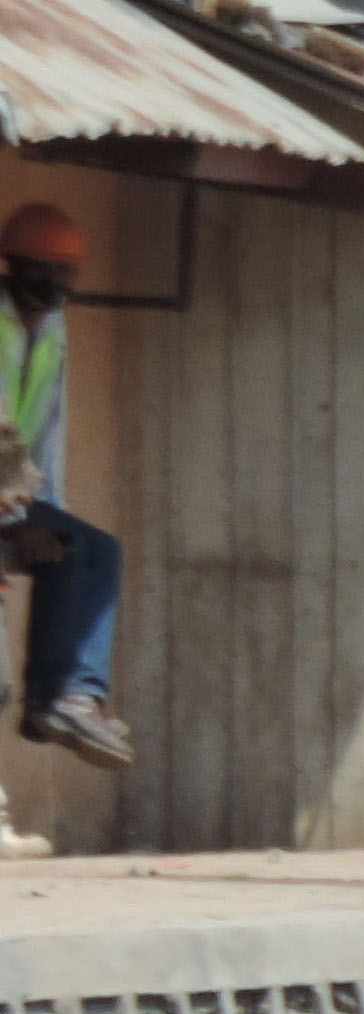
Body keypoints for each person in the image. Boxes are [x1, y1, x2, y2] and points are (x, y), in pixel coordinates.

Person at [0, 201, 132, 780]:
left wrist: (47, 514)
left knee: (91, 551)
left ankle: (66, 698)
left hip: (11, 495)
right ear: (10, 265)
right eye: (37, 269)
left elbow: (48, 429)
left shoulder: (52, 329)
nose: (51, 285)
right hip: (3, 500)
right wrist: (13, 525)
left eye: (62, 273)